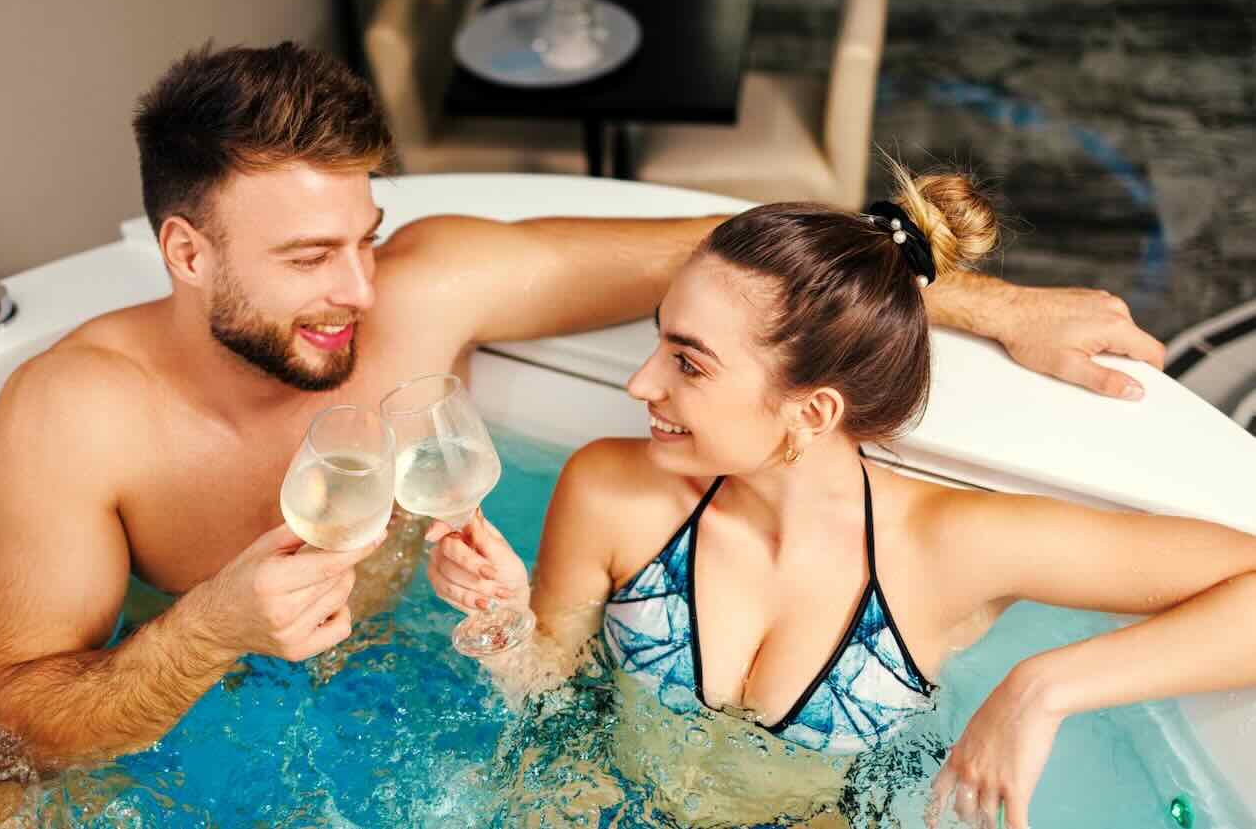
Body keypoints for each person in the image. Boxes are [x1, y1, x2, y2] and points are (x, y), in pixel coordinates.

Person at [0, 42, 1163, 827]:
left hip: (433, 699)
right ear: (186, 251)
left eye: (367, 234)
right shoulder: (72, 413)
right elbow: (25, 725)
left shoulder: (425, 288)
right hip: (187, 719)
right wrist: (213, 624)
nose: (359, 286)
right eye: (309, 257)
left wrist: (993, 304)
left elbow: (752, 271)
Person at [426, 167, 1256, 829]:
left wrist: (1043, 686)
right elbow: (552, 704)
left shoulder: (946, 550)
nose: (642, 381)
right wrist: (503, 624)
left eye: (689, 360)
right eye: (659, 340)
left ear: (812, 411)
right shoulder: (612, 490)